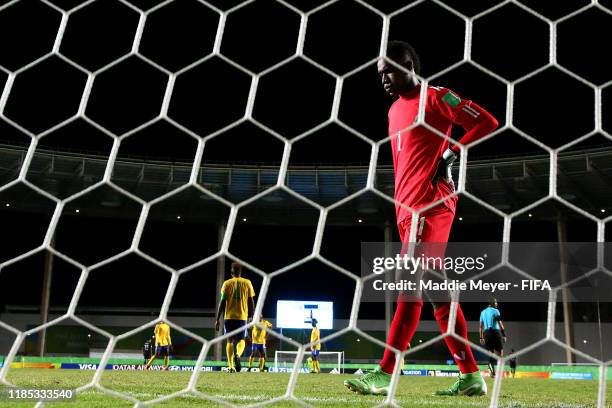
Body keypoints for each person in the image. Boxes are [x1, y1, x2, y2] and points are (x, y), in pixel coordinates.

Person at [344, 40, 498, 397]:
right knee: (438, 294)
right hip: (406, 209)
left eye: (391, 70)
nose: (384, 78)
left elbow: (487, 122)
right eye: (380, 74)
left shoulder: (436, 95)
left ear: (410, 64)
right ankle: (472, 375)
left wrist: (451, 152)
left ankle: (385, 372)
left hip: (429, 204)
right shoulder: (394, 110)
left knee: (408, 280)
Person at [215, 262, 255, 373]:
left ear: (231, 272)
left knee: (230, 340)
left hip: (229, 317)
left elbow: (222, 302)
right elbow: (251, 301)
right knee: (242, 340)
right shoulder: (247, 283)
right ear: (241, 272)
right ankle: (237, 355)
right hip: (242, 317)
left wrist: (218, 319)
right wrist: (251, 316)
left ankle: (231, 367)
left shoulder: (226, 284)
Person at [479, 297, 507, 378]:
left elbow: (480, 327)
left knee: (491, 354)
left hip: (486, 333)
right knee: (500, 353)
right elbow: (500, 324)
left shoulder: (482, 312)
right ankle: (499, 373)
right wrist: (504, 335)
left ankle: (492, 372)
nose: (496, 303)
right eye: (495, 302)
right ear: (491, 303)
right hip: (495, 332)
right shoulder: (496, 311)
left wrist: (481, 337)